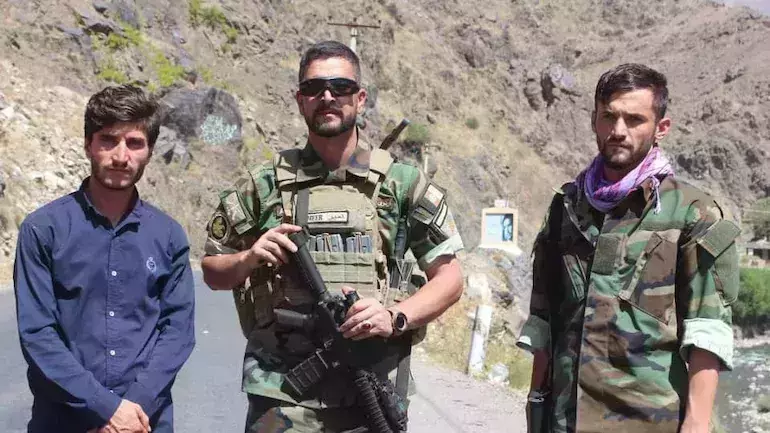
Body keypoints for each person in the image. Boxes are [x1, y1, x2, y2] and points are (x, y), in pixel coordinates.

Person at [201, 40, 464, 432]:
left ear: (360, 98)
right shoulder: (264, 185)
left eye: (340, 87)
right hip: (281, 395)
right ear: (300, 100)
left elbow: (451, 278)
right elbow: (211, 270)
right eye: (313, 88)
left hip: (372, 390)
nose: (327, 97)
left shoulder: (401, 184)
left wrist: (393, 317)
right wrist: (249, 258)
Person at [517, 63, 740, 433]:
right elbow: (545, 320)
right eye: (609, 116)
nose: (618, 130)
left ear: (661, 128)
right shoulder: (566, 207)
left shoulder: (692, 212)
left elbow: (708, 330)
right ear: (594, 120)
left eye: (634, 119)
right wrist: (536, 403)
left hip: (649, 421)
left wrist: (697, 423)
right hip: (564, 420)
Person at [14, 85, 196, 433]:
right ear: (88, 145)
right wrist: (106, 408)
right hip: (62, 421)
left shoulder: (169, 236)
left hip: (144, 422)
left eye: (135, 143)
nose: (121, 156)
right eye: (108, 140)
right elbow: (37, 333)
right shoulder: (43, 229)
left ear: (150, 151)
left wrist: (131, 410)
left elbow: (177, 332)